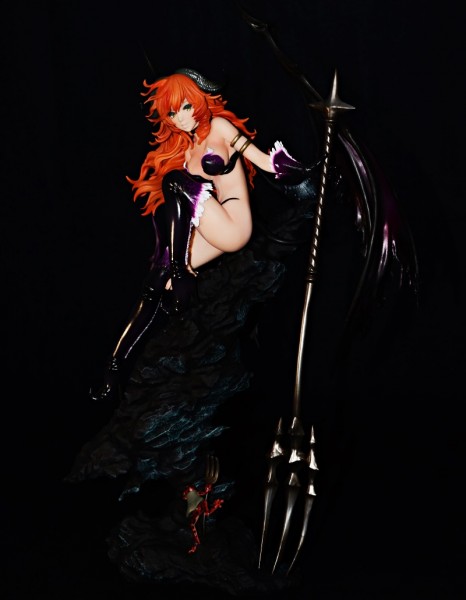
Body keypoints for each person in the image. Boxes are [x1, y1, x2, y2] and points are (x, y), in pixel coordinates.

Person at [89, 68, 318, 404]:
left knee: (174, 183)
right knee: (154, 282)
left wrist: (305, 172)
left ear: (198, 99)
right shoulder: (187, 149)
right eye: (172, 113)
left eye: (185, 106)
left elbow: (262, 161)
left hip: (235, 223)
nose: (181, 118)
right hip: (211, 227)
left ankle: (181, 273)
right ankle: (114, 371)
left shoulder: (221, 127)